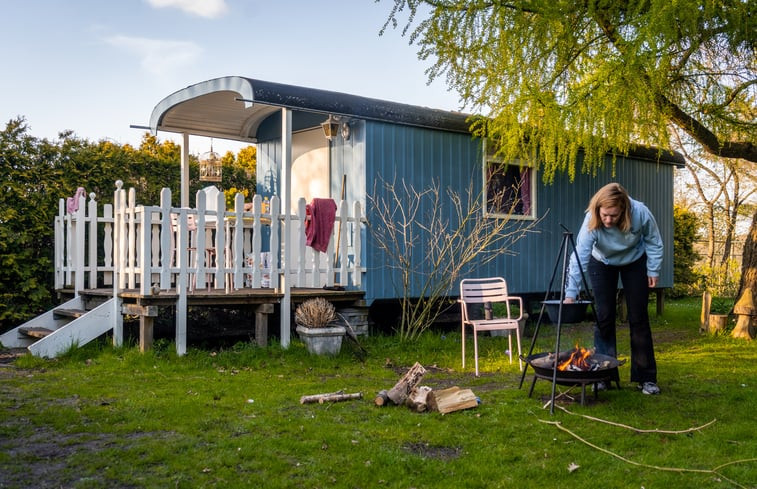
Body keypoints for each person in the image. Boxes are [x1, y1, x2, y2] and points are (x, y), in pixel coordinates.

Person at [564, 183, 663, 395]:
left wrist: (653, 270)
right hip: (601, 262)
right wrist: (571, 293)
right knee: (604, 317)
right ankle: (603, 375)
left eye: (614, 216)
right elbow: (579, 255)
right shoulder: (591, 219)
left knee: (638, 318)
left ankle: (646, 378)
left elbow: (654, 241)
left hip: (635, 261)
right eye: (605, 215)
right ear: (598, 210)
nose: (608, 220)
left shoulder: (640, 212)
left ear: (624, 210)